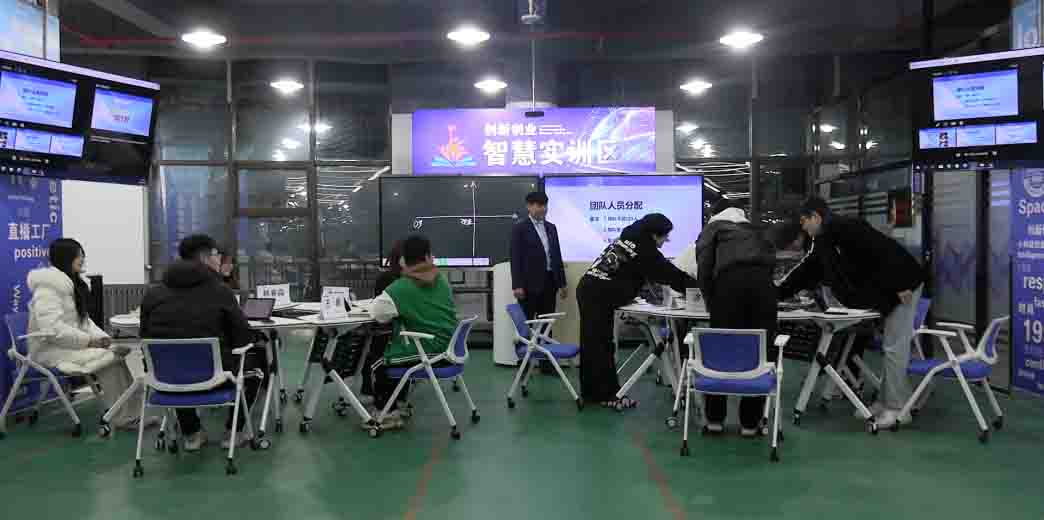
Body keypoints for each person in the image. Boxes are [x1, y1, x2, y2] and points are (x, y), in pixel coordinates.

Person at [777, 197, 925, 428]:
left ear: (816, 217)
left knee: (894, 346)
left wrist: (901, 285)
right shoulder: (824, 241)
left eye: (804, 221)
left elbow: (881, 253)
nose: (803, 227)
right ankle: (886, 401)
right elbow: (807, 271)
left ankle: (898, 409)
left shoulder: (847, 227)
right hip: (889, 290)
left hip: (904, 285)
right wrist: (776, 293)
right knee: (891, 346)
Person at [139, 234, 263, 451]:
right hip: (215, 377)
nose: (220, 259)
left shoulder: (152, 294)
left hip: (164, 378)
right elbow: (242, 337)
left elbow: (145, 336)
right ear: (205, 258)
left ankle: (191, 433)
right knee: (257, 359)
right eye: (217, 254)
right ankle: (233, 432)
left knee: (176, 361)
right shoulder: (220, 291)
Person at [27, 239, 152, 431]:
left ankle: (132, 414)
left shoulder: (72, 284)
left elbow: (84, 321)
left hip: (70, 345)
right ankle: (123, 418)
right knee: (110, 359)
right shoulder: (48, 289)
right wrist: (89, 341)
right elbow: (51, 329)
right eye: (79, 255)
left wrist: (102, 339)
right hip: (51, 350)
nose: (82, 259)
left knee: (117, 353)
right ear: (66, 258)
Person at [576, 213, 698, 410]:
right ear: (655, 234)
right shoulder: (646, 250)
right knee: (600, 344)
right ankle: (605, 395)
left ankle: (595, 393)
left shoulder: (630, 236)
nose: (665, 241)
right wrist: (698, 289)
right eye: (665, 236)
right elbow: (671, 275)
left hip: (589, 288)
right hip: (597, 294)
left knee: (593, 343)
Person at [692, 201, 778, 435]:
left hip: (729, 285)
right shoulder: (755, 229)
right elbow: (771, 262)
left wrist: (711, 301)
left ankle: (715, 420)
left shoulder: (714, 227)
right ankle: (750, 423)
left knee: (721, 347)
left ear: (714, 214)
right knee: (761, 350)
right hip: (763, 288)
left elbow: (704, 267)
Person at [369, 235, 458, 430]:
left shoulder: (400, 288)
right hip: (450, 347)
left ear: (403, 261)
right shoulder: (441, 280)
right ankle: (399, 402)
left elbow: (376, 314)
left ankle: (387, 414)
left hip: (430, 351)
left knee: (379, 360)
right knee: (393, 351)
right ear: (427, 257)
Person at [510, 191, 567, 373]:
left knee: (546, 325)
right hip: (527, 285)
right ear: (529, 206)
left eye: (545, 205)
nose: (543, 209)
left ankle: (546, 363)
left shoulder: (551, 227)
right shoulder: (520, 228)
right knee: (525, 325)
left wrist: (562, 283)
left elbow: (556, 255)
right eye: (539, 205)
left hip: (550, 282)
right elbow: (515, 258)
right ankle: (523, 364)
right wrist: (517, 285)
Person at [360, 240, 403, 398]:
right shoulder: (412, 282)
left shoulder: (388, 279)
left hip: (392, 335)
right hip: (403, 335)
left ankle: (370, 386)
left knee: (371, 342)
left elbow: (379, 311)